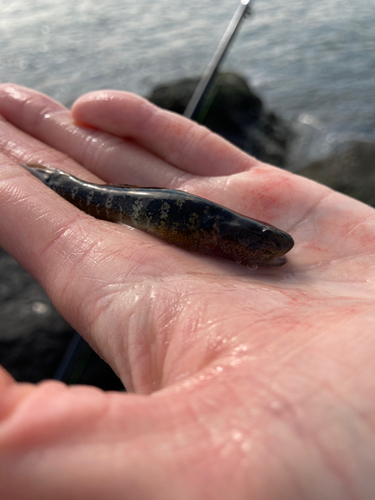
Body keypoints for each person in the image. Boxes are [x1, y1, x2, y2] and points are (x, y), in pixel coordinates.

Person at [0, 83, 374, 500]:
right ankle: (49, 179)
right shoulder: (220, 230)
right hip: (103, 196)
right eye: (262, 244)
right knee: (75, 189)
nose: (270, 249)